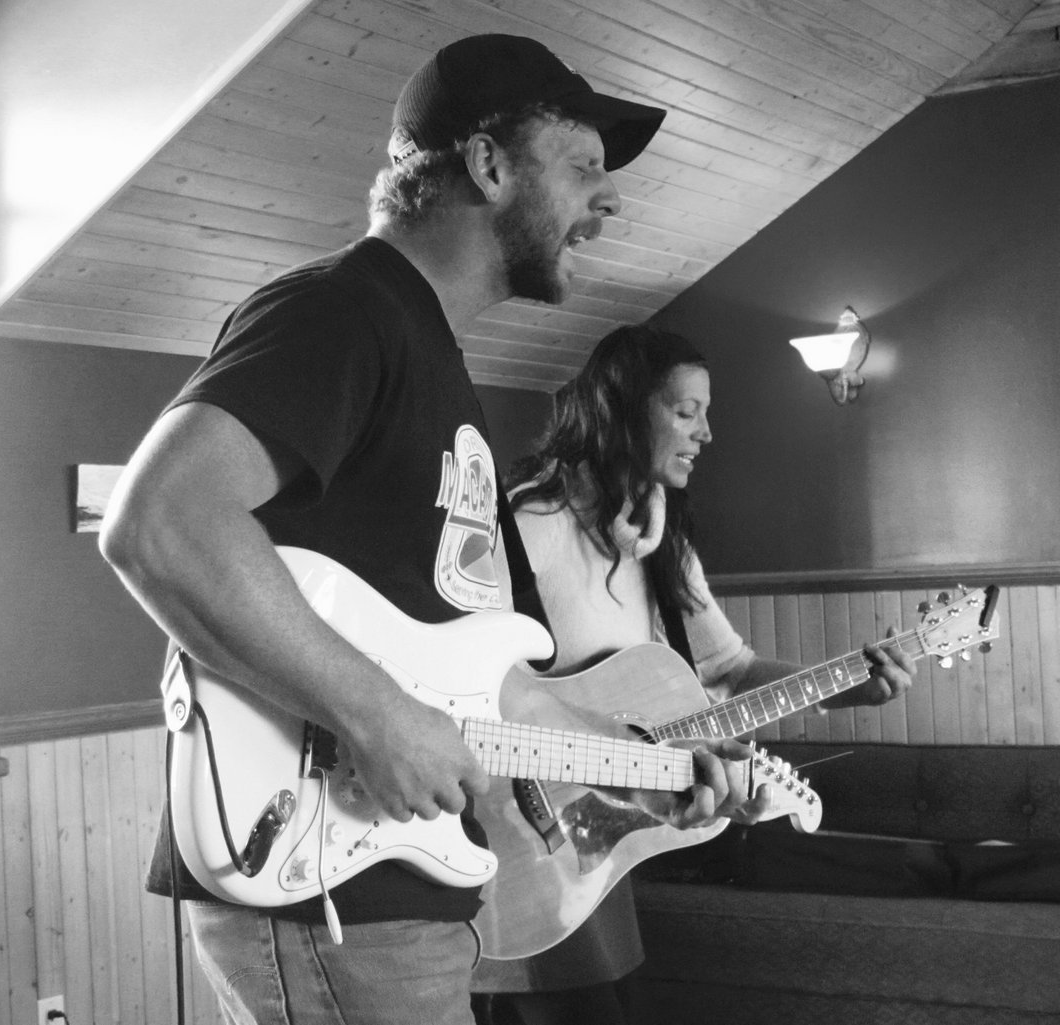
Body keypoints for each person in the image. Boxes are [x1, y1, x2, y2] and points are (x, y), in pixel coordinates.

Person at [99, 35, 759, 1025]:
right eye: (582, 165)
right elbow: (160, 520)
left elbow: (493, 687)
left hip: (396, 899)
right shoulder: (343, 310)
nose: (610, 199)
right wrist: (375, 715)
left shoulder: (432, 358)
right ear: (488, 164)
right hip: (325, 888)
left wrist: (643, 765)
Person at [471, 324, 916, 1025]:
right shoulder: (529, 523)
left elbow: (731, 669)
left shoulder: (662, 542)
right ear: (622, 410)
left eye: (705, 413)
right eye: (686, 412)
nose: (706, 433)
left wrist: (848, 686)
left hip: (596, 847)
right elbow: (464, 676)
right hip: (508, 835)